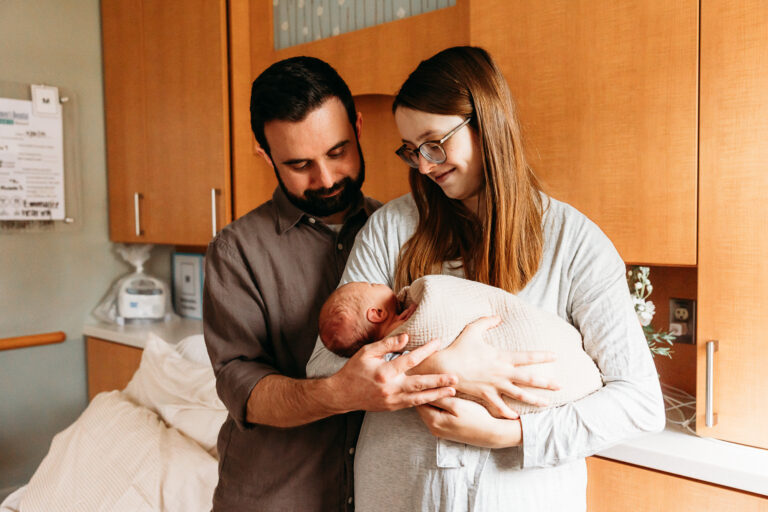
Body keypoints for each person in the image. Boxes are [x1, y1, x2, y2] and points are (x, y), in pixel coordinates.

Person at [306, 46, 666, 511]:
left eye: (434, 144)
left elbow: (639, 403)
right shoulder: (390, 229)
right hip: (399, 497)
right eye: (411, 150)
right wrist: (438, 368)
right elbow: (325, 365)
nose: (424, 166)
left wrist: (513, 434)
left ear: (487, 124)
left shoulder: (575, 242)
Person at [203, 56, 553, 511]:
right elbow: (241, 387)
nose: (326, 178)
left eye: (337, 152)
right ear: (265, 154)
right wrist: (338, 393)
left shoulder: (399, 229)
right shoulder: (236, 252)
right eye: (299, 164)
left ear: (358, 128)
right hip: (280, 496)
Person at [318, 274, 603, 417]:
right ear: (376, 314)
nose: (376, 283)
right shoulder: (397, 338)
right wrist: (434, 363)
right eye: (371, 285)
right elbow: (329, 372)